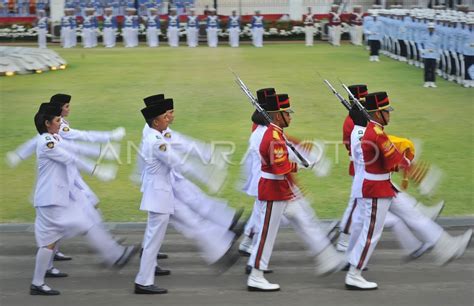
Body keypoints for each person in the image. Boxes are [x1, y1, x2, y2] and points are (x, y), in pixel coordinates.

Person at [134, 99, 242, 294]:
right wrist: (207, 175)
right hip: (160, 197)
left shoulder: (156, 135)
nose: (169, 119)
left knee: (188, 223)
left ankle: (220, 247)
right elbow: (177, 162)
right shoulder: (156, 142)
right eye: (165, 117)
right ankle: (143, 282)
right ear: (156, 122)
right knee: (153, 241)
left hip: (163, 194)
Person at [30, 103, 137, 296]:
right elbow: (71, 158)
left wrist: (103, 149)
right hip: (51, 201)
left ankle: (38, 281)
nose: (61, 122)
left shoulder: (53, 137)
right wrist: (99, 170)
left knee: (51, 242)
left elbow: (76, 148)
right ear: (47, 123)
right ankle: (114, 256)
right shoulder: (48, 143)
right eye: (57, 120)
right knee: (82, 225)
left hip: (55, 198)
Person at [246, 93, 345, 292]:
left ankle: (327, 258)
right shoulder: (271, 135)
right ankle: (256, 274)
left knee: (303, 220)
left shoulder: (275, 133)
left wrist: (302, 159)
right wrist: (303, 165)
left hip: (281, 188)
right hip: (273, 188)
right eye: (286, 114)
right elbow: (279, 167)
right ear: (276, 116)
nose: (291, 117)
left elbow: (286, 154)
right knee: (267, 234)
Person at [344, 92, 410, 290]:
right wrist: (407, 160)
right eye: (386, 112)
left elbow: (391, 158)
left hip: (377, 186)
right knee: (371, 233)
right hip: (375, 188)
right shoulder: (377, 134)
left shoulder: (375, 131)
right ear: (378, 113)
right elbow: (394, 161)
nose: (389, 115)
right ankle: (354, 273)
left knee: (366, 228)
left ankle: (353, 263)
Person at [420, 22, 440, 88]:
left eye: (432, 28)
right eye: (430, 28)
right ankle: (426, 82)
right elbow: (420, 43)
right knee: (426, 69)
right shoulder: (424, 36)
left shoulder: (437, 37)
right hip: (426, 55)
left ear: (434, 29)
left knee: (433, 69)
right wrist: (421, 49)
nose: (431, 29)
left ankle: (432, 82)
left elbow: (438, 47)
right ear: (428, 29)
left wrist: (438, 56)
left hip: (434, 55)